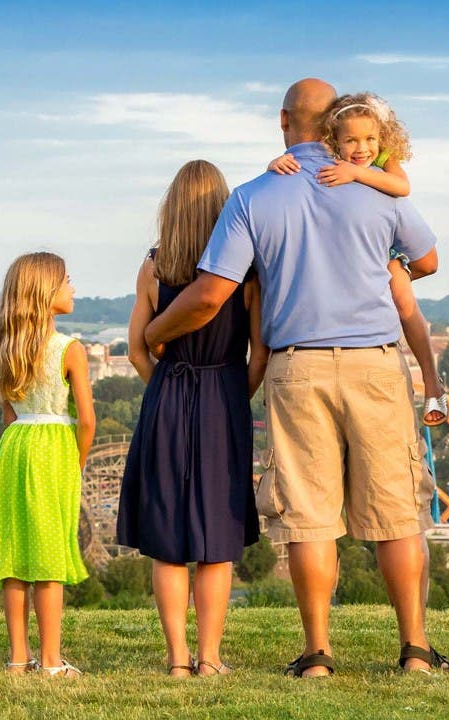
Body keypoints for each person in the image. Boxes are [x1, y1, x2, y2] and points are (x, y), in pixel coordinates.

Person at [145, 78, 446, 677]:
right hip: (376, 364)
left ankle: (317, 652)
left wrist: (155, 335)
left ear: (284, 120)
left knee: (309, 516)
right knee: (394, 511)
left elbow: (211, 295)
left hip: (297, 365)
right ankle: (413, 648)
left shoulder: (257, 195)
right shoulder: (376, 188)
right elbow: (429, 261)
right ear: (336, 122)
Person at [116, 160, 264, 678]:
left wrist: (165, 387)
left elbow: (137, 351)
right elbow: (260, 354)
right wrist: (231, 394)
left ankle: (177, 660)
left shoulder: (153, 267)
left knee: (169, 538)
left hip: (168, 394)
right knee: (216, 541)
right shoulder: (246, 270)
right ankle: (210, 657)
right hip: (223, 394)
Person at [268, 91, 446, 425]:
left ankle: (432, 381)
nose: (362, 148)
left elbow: (401, 186)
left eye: (369, 139)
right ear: (332, 140)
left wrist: (356, 174)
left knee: (404, 301)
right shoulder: (333, 161)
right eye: (351, 141)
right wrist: (275, 163)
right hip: (364, 252)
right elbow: (430, 261)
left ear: (383, 137)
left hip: (386, 252)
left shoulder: (380, 159)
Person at [0, 251, 95, 678]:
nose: (73, 286)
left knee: (15, 556)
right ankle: (50, 660)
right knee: (48, 558)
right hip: (52, 449)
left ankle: (17, 657)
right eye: (67, 280)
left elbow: (8, 415)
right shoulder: (70, 349)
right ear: (47, 294)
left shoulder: (8, 349)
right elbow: (87, 419)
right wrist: (77, 461)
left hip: (14, 448)